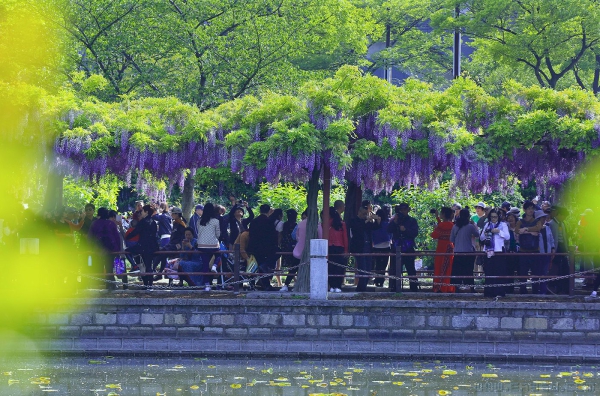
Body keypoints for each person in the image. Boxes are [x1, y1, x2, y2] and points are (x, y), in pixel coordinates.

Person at [387, 203, 419, 292]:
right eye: (401, 210)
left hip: (408, 248)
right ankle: (394, 287)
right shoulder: (395, 219)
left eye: (404, 209)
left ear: (408, 210)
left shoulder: (412, 220)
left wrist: (405, 230)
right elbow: (389, 230)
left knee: (411, 269)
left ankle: (414, 288)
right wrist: (395, 222)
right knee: (395, 269)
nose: (403, 211)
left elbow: (415, 233)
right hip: (396, 247)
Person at [88, 207, 123, 290]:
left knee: (99, 267)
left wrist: (91, 247)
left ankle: (99, 284)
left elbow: (90, 237)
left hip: (98, 249)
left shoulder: (94, 223)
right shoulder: (111, 224)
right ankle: (110, 285)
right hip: (110, 249)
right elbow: (116, 237)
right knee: (109, 268)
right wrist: (117, 249)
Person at [125, 204, 159, 288]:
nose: (141, 213)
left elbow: (136, 232)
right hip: (152, 246)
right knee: (148, 265)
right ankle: (149, 285)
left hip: (143, 246)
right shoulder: (153, 222)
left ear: (146, 212)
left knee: (128, 252)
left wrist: (127, 236)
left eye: (143, 211)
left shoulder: (143, 222)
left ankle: (135, 267)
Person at [247, 204, 278, 291]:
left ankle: (263, 284)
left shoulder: (254, 221)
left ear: (260, 211)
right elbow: (273, 235)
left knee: (258, 265)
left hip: (254, 246)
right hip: (266, 247)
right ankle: (266, 284)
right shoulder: (269, 221)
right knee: (264, 264)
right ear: (269, 211)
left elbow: (251, 234)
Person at [516, 200, 544, 294]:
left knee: (535, 272)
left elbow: (538, 228)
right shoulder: (520, 221)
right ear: (524, 210)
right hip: (523, 250)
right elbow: (517, 230)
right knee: (523, 272)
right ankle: (523, 289)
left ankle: (535, 290)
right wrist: (531, 232)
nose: (530, 210)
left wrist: (526, 229)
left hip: (535, 250)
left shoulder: (537, 221)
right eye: (528, 208)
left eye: (532, 208)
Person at [480, 209, 510, 298]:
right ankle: (489, 292)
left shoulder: (503, 225)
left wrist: (499, 232)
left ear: (499, 217)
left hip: (499, 251)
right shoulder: (487, 224)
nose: (493, 219)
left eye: (495, 217)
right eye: (492, 217)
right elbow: (481, 238)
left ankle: (499, 292)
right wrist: (486, 233)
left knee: (499, 272)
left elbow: (507, 236)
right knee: (489, 272)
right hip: (488, 251)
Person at [348, 206, 378, 292]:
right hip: (359, 248)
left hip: (368, 247)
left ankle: (361, 289)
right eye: (364, 214)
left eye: (366, 214)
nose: (365, 215)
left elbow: (375, 227)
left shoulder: (367, 222)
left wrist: (376, 219)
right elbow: (358, 229)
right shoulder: (354, 221)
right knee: (362, 270)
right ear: (360, 212)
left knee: (368, 270)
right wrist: (367, 220)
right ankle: (361, 290)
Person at [450, 208, 480, 291]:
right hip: (468, 251)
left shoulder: (455, 226)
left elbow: (451, 239)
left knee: (458, 270)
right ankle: (471, 287)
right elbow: (477, 234)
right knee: (469, 270)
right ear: (468, 216)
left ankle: (456, 287)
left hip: (457, 252)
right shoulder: (470, 226)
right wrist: (474, 225)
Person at [195, 203, 221, 291]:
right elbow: (218, 234)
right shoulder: (215, 221)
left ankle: (207, 285)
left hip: (201, 245)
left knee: (205, 264)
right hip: (213, 245)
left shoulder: (199, 220)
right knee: (218, 254)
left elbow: (198, 232)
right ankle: (214, 266)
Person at [431, 207, 455, 293]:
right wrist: (437, 218)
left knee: (439, 266)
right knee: (448, 267)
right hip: (450, 247)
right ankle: (447, 287)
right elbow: (444, 226)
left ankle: (438, 287)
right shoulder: (453, 225)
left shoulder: (441, 226)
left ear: (444, 214)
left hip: (441, 247)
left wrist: (435, 228)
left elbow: (434, 235)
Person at [547, 206, 571, 294]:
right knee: (554, 268)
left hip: (562, 247)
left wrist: (566, 247)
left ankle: (564, 287)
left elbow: (565, 237)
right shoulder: (551, 223)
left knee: (564, 267)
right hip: (555, 248)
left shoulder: (563, 224)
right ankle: (552, 285)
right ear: (560, 215)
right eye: (564, 216)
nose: (564, 218)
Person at [328, 207, 348, 293]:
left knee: (330, 268)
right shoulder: (342, 224)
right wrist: (346, 250)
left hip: (330, 247)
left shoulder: (326, 224)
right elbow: (345, 238)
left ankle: (332, 286)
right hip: (340, 247)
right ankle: (338, 286)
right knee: (339, 268)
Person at [371, 206, 392, 288]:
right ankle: (381, 281)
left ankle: (377, 280)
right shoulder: (387, 224)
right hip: (386, 246)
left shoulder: (374, 225)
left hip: (376, 246)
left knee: (378, 265)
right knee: (383, 265)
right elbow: (389, 235)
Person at [536, 209, 555, 295]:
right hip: (538, 254)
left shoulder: (547, 228)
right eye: (541, 218)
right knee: (537, 272)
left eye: (544, 218)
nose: (543, 219)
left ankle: (543, 290)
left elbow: (551, 240)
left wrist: (553, 249)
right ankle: (536, 290)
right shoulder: (534, 229)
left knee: (545, 272)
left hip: (547, 253)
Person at [280, 209, 298, 292]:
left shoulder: (285, 225)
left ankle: (291, 282)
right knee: (294, 265)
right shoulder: (296, 225)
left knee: (291, 266)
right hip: (294, 247)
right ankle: (295, 281)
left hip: (285, 246)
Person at [269, 208, 285, 287]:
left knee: (271, 264)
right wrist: (278, 244)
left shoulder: (270, 222)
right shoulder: (280, 223)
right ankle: (279, 283)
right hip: (276, 245)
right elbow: (279, 235)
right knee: (278, 265)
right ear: (280, 215)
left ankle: (277, 282)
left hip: (269, 245)